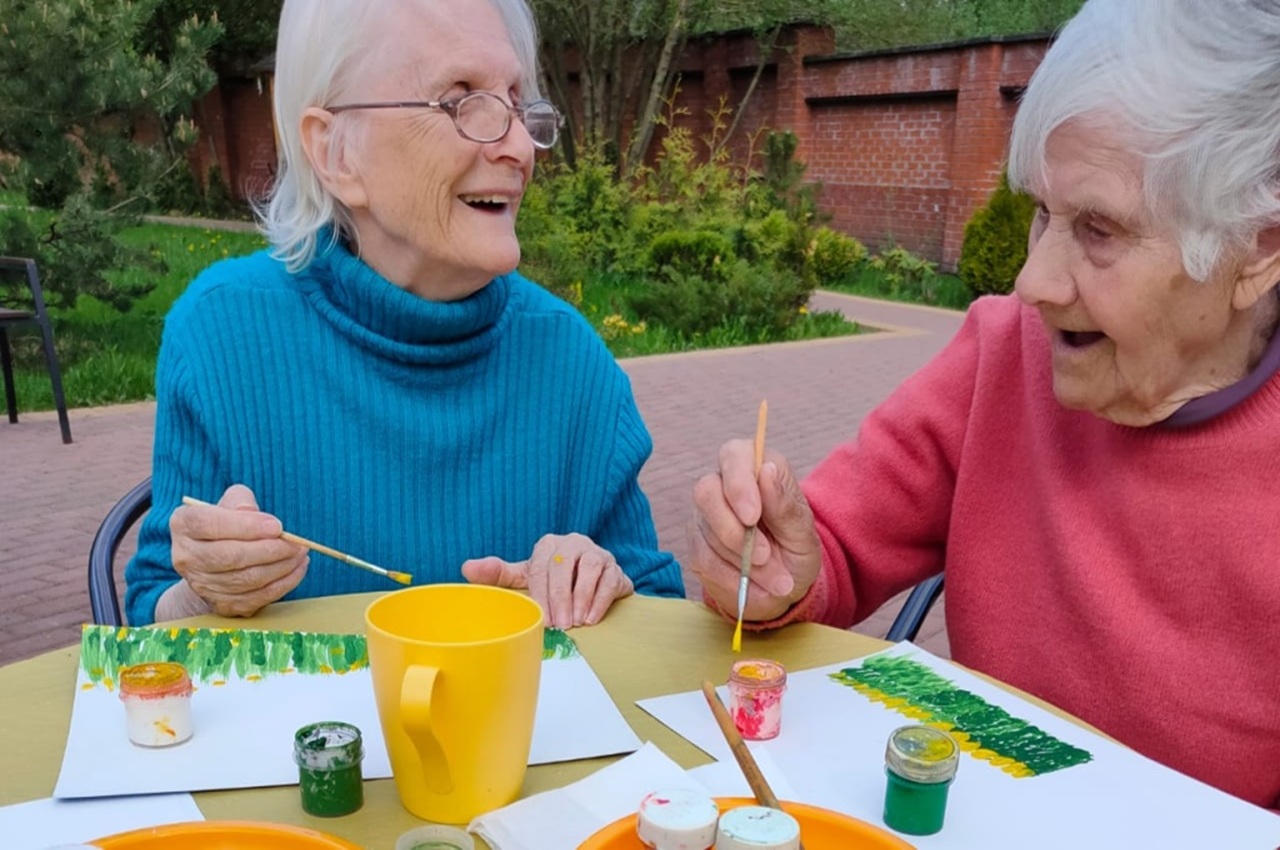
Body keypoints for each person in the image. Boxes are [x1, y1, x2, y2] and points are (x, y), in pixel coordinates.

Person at [690, 0, 1280, 810]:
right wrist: (774, 566)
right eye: (1043, 213)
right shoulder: (1006, 354)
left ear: (1258, 246)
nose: (1031, 282)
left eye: (1098, 230)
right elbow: (821, 549)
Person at [125, 0, 683, 630]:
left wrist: (604, 586)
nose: (522, 147)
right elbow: (150, 616)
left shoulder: (572, 360)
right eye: (463, 100)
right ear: (336, 153)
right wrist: (205, 591)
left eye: (517, 102)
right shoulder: (222, 334)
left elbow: (662, 617)